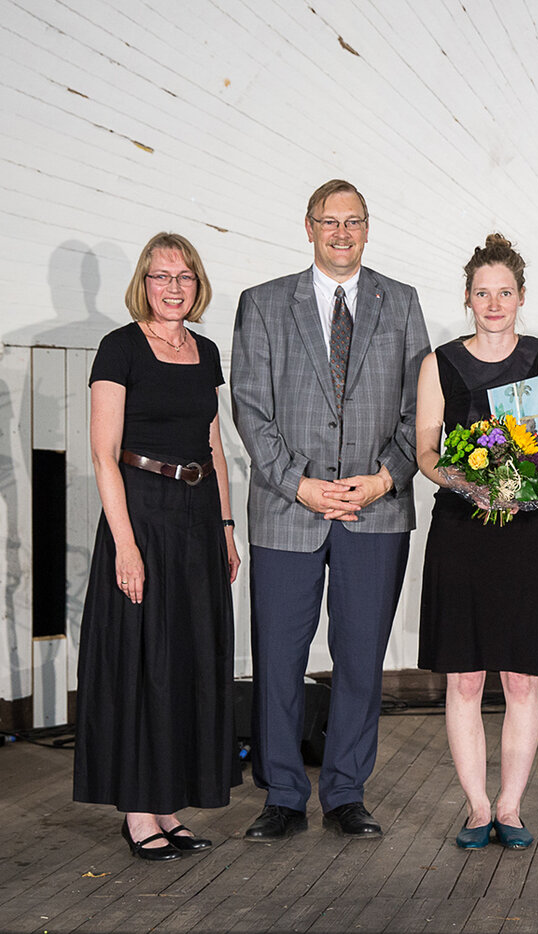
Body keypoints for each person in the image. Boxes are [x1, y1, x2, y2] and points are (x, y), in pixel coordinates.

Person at [231, 179, 430, 840]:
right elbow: (251, 411)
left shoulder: (399, 303)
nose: (341, 233)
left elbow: (417, 412)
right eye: (328, 222)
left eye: (353, 222)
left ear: (366, 229)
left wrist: (383, 479)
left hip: (376, 512)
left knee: (360, 656)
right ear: (308, 227)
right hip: (289, 510)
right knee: (280, 657)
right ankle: (283, 794)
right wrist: (302, 485)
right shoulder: (262, 305)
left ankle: (346, 791)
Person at [73, 232, 240, 860]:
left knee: (188, 659)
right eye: (161, 276)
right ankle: (139, 812)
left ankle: (168, 807)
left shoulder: (206, 351)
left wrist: (225, 526)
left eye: (185, 277)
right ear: (144, 282)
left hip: (198, 516)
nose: (174, 287)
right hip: (141, 511)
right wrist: (125, 545)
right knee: (144, 662)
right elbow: (103, 453)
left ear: (198, 286)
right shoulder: (120, 348)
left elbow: (215, 445)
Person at [415, 234, 538, 850]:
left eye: (504, 292)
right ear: (467, 298)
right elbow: (426, 449)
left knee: (521, 678)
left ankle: (510, 806)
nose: (493, 303)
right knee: (463, 677)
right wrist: (468, 481)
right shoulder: (440, 363)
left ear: (521, 297)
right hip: (462, 528)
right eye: (482, 293)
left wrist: (534, 470)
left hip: (524, 529)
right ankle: (476, 806)